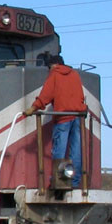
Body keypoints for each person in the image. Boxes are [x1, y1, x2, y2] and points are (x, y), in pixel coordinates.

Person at [23, 54, 88, 187]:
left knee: (60, 149)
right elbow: (81, 97)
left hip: (63, 117)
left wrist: (33, 108)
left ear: (52, 66)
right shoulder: (75, 75)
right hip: (78, 117)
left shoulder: (55, 75)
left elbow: (45, 95)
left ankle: (58, 181)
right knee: (76, 151)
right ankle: (75, 182)